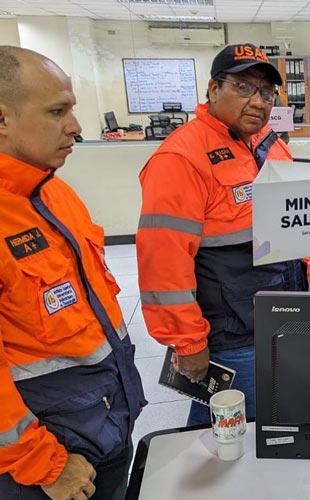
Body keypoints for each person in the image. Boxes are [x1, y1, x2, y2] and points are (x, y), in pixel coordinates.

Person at [0, 46, 146, 500]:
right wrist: (44, 464)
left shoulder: (54, 192)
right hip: (45, 464)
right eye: (56, 111)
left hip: (103, 425)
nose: (76, 127)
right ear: (2, 119)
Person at [136, 43, 307, 426]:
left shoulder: (271, 145)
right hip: (231, 336)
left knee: (271, 426)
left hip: (281, 317)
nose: (258, 101)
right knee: (227, 435)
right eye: (244, 87)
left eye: (266, 92)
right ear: (213, 90)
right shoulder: (181, 158)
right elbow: (163, 262)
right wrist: (188, 342)